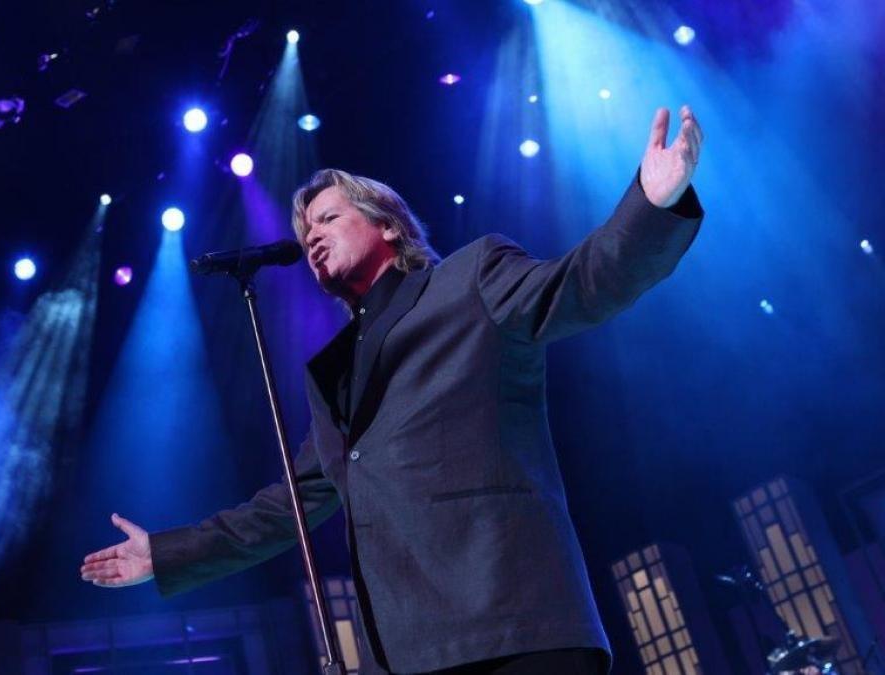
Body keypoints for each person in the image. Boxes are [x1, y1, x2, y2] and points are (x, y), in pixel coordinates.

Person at [81, 106, 705, 674]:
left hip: (515, 622)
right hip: (406, 650)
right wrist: (167, 553)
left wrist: (650, 205)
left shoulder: (470, 280)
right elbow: (287, 509)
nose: (313, 238)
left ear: (387, 224)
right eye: (304, 235)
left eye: (328, 218)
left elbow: (578, 286)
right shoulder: (334, 372)